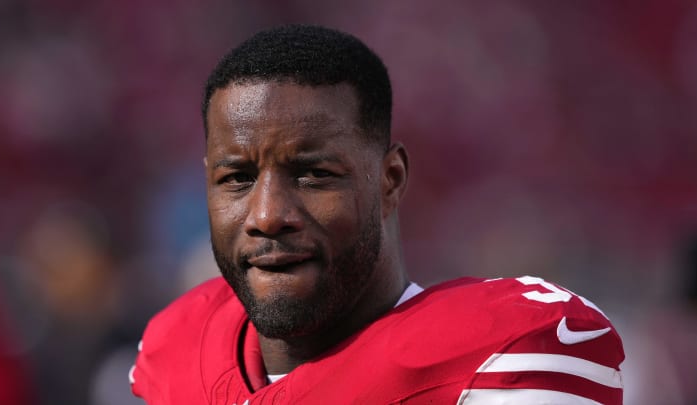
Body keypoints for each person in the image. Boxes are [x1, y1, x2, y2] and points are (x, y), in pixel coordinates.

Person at [130, 24, 624, 404]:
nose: (267, 214)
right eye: (236, 177)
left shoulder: (508, 352)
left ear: (390, 180)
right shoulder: (176, 349)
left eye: (313, 174)